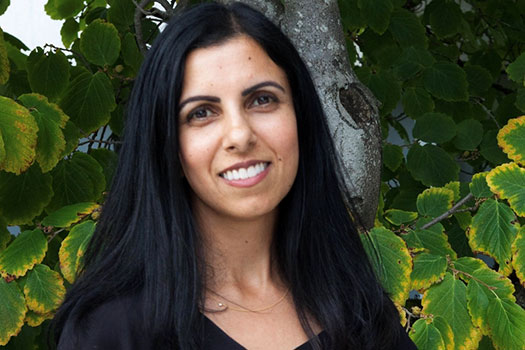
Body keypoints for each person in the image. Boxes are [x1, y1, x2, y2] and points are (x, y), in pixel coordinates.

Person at [53, 2, 417, 349]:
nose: (240, 135)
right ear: (167, 147)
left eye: (262, 100)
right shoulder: (112, 332)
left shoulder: (361, 314)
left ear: (301, 121)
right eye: (201, 113)